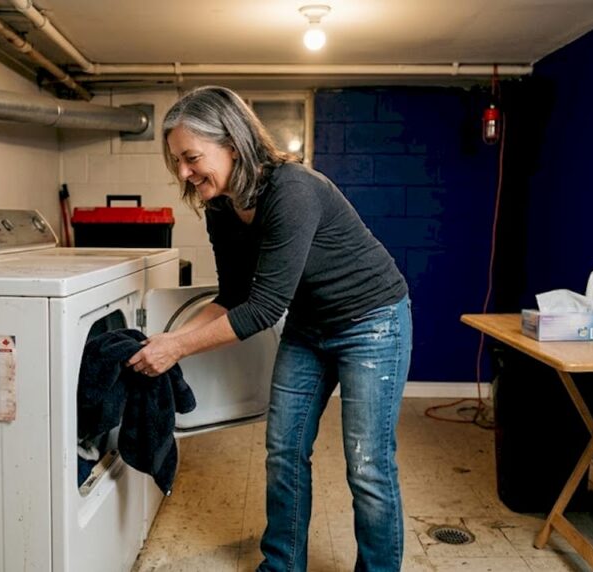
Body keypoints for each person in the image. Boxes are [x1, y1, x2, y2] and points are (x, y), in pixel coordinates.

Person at [127, 85, 412, 572]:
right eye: (177, 162)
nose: (184, 173)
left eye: (191, 158)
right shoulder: (219, 205)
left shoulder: (293, 190)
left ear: (233, 144)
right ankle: (281, 565)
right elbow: (235, 295)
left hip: (372, 322)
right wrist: (168, 340)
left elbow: (262, 309)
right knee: (284, 451)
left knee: (367, 465)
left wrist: (176, 349)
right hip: (308, 325)